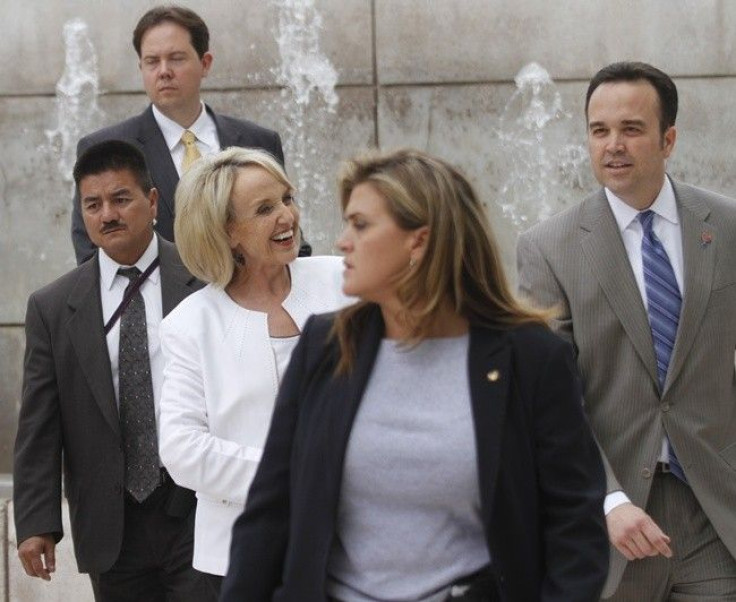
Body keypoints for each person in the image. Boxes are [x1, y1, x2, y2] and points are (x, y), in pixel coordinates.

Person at [220, 148, 609, 602]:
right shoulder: (325, 346)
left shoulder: (532, 357)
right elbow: (270, 512)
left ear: (419, 242)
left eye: (361, 225)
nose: (342, 241)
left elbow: (575, 526)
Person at [517, 61, 736, 600]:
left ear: (669, 139)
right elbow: (548, 398)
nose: (612, 145)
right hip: (612, 524)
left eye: (631, 129)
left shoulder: (727, 227)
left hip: (715, 514)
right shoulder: (549, 248)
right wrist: (608, 501)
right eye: (599, 130)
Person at [14, 140, 214, 601]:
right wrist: (37, 523)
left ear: (152, 201)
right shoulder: (52, 307)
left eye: (121, 199)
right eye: (93, 204)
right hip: (111, 522)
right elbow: (39, 424)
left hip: (196, 508)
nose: (107, 214)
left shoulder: (204, 280)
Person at [157, 147, 352, 595]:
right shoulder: (189, 324)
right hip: (245, 555)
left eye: (287, 199)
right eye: (265, 209)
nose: (287, 216)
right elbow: (182, 449)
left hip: (352, 541)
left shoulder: (342, 280)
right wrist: (291, 474)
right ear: (226, 233)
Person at [70, 5, 310, 264]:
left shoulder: (259, 142)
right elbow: (91, 254)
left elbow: (289, 234)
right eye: (152, 61)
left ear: (205, 63)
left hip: (254, 299)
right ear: (141, 67)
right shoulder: (107, 148)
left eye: (176, 58)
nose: (163, 71)